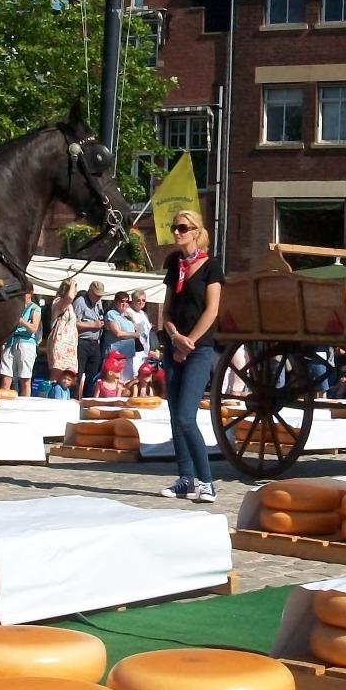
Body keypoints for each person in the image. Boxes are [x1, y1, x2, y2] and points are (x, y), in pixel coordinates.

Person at [160, 209, 223, 503]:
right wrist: (175, 337)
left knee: (187, 416)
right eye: (175, 227)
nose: (177, 232)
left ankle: (207, 482)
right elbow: (166, 311)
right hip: (173, 345)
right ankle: (185, 479)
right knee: (175, 416)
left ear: (197, 231)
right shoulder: (174, 265)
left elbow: (212, 310)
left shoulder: (211, 266)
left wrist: (189, 342)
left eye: (183, 228)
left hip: (199, 349)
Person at [0, 283, 40, 393]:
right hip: (9, 341)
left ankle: (25, 401)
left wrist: (20, 320)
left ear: (30, 294)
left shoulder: (35, 308)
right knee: (5, 378)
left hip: (25, 343)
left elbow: (34, 328)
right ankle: (4, 400)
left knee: (25, 379)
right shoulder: (14, 308)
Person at [73, 281, 106, 398]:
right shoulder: (80, 302)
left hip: (95, 343)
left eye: (100, 295)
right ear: (90, 291)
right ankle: (75, 397)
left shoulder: (99, 303)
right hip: (82, 342)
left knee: (92, 374)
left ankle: (87, 398)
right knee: (78, 373)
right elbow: (73, 323)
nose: (98, 297)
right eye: (96, 295)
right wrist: (93, 325)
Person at [47, 279, 79, 385]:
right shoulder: (58, 301)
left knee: (67, 374)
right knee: (57, 371)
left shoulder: (70, 306)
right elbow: (69, 297)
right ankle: (51, 392)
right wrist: (73, 283)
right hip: (60, 341)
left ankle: (61, 392)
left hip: (69, 344)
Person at [102, 292, 140, 381]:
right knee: (114, 381)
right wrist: (134, 335)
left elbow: (138, 329)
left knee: (127, 381)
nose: (125, 304)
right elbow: (117, 333)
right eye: (122, 301)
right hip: (115, 356)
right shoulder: (111, 314)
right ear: (116, 302)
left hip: (128, 355)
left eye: (127, 302)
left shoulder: (127, 315)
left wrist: (132, 319)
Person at [128, 290, 154, 378]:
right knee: (134, 374)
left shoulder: (143, 314)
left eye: (143, 300)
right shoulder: (129, 311)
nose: (141, 302)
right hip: (135, 349)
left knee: (143, 376)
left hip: (145, 349)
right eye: (138, 300)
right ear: (133, 300)